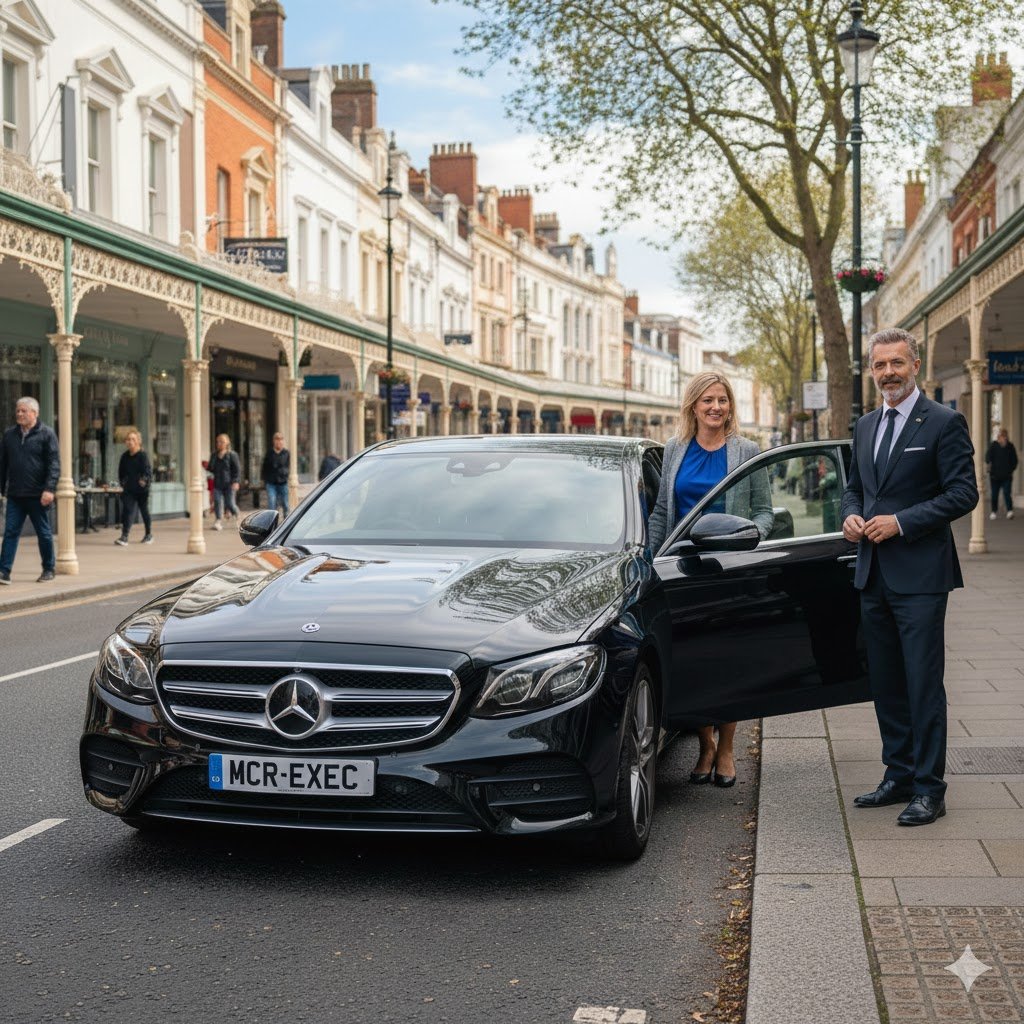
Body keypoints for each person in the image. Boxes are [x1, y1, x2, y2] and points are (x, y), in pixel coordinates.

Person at [841, 327, 978, 827]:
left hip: (921, 577)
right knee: (888, 683)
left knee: (923, 684)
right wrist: (851, 516)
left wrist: (901, 521)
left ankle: (929, 788)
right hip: (872, 575)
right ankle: (896, 775)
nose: (888, 373)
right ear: (872, 371)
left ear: (915, 365)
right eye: (880, 365)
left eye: (897, 363)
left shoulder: (944, 422)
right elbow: (854, 489)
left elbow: (964, 494)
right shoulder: (865, 426)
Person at [648, 371, 773, 789]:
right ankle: (704, 745)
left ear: (730, 405)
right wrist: (647, 559)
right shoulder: (674, 451)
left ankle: (727, 749)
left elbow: (765, 513)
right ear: (693, 407)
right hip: (682, 572)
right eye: (707, 401)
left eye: (722, 400)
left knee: (726, 662)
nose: (716, 407)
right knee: (693, 664)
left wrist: (749, 541)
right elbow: (663, 514)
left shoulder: (747, 450)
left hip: (728, 571)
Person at [0, 396, 60, 584]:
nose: (19, 414)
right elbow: (2, 465)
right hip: (15, 495)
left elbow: (54, 464)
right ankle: (4, 571)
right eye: (18, 410)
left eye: (23, 411)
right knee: (10, 532)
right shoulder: (9, 435)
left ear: (35, 413)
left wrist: (49, 489)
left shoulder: (47, 434)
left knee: (43, 533)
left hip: (38, 495)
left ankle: (49, 569)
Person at [116, 429, 153, 546]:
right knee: (127, 510)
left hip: (142, 490)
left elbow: (147, 471)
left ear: (138, 442)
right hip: (129, 489)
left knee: (144, 511)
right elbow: (121, 473)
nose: (130, 441)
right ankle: (124, 536)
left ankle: (148, 534)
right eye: (128, 439)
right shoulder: (124, 457)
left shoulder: (142, 456)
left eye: (133, 439)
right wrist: (123, 483)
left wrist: (144, 480)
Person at [207, 434, 240, 532]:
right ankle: (218, 520)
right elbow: (210, 468)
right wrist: (211, 461)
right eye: (218, 442)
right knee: (217, 501)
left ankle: (239, 517)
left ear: (227, 443)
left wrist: (236, 482)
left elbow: (237, 470)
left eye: (222, 442)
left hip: (229, 484)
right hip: (218, 483)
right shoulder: (214, 455)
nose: (219, 444)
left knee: (230, 503)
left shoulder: (232, 455)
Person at [985, 427, 1018, 521]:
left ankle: (1010, 511)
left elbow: (1014, 460)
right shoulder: (994, 445)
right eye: (1000, 436)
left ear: (1006, 437)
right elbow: (987, 457)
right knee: (994, 495)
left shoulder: (1010, 446)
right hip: (994, 476)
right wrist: (989, 462)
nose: (1001, 437)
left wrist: (1011, 469)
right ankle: (993, 511)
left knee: (1007, 493)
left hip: (1007, 476)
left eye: (1003, 436)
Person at [261, 432, 291, 517]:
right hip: (271, 482)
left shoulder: (286, 453)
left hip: (283, 482)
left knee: (285, 503)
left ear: (283, 441)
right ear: (274, 441)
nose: (279, 442)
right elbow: (264, 466)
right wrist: (264, 479)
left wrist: (286, 474)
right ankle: (272, 521)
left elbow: (287, 466)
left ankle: (287, 521)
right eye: (277, 439)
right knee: (272, 502)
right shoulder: (269, 453)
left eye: (281, 439)